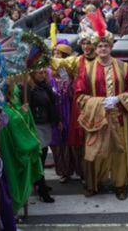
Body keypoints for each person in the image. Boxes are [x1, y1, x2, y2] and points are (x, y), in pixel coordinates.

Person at [74, 12, 128, 200]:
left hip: (119, 117)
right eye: (99, 46)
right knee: (97, 152)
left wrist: (120, 99)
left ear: (110, 47)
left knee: (119, 151)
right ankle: (96, 183)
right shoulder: (86, 69)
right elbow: (79, 95)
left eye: (105, 45)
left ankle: (120, 185)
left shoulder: (124, 67)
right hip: (97, 118)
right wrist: (98, 102)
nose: (102, 49)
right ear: (95, 48)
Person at [0, 83, 44, 213]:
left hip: (9, 149)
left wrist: (23, 113)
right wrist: (24, 114)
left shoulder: (8, 108)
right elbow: (17, 124)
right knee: (11, 178)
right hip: (10, 151)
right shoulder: (6, 111)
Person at [49, 40, 83, 183]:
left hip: (68, 109)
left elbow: (68, 90)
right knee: (58, 141)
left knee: (72, 139)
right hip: (54, 109)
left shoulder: (66, 70)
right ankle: (64, 171)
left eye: (59, 53)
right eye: (54, 52)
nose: (56, 55)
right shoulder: (48, 70)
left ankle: (80, 170)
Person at [27, 68, 61, 202]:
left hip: (46, 124)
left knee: (44, 153)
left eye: (43, 72)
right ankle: (41, 189)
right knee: (40, 157)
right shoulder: (29, 89)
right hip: (37, 125)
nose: (42, 75)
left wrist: (57, 120)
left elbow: (53, 105)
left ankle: (40, 182)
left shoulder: (45, 86)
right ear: (32, 74)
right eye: (38, 72)